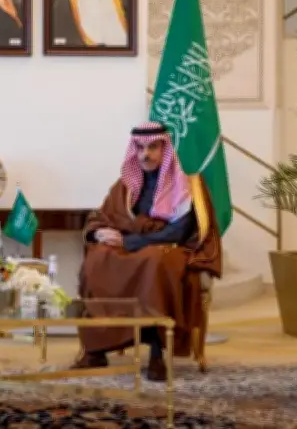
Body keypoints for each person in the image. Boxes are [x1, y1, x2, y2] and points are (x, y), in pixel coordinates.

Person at [74, 121, 221, 381]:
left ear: (164, 149)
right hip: (130, 244)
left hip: (169, 248)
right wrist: (99, 233)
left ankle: (156, 353)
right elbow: (102, 216)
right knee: (98, 258)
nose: (145, 154)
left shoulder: (186, 185)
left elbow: (178, 232)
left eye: (152, 147)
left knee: (154, 262)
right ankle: (96, 349)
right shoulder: (125, 186)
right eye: (140, 148)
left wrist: (130, 243)